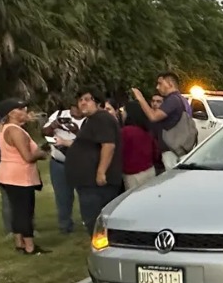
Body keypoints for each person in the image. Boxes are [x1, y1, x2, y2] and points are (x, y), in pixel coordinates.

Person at [0, 98, 49, 255]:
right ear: (12, 113)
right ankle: (30, 246)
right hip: (19, 176)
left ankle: (19, 243)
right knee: (25, 211)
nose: (26, 112)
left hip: (8, 174)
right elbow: (27, 157)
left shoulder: (6, 128)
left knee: (17, 210)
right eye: (22, 109)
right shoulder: (15, 131)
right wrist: (40, 153)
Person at [68, 88, 122, 234]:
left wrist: (101, 172)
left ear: (98, 103)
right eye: (80, 100)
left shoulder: (102, 118)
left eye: (87, 99)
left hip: (97, 184)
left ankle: (101, 249)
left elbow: (108, 145)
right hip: (88, 182)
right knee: (93, 220)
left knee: (96, 221)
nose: (83, 103)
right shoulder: (91, 120)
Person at [132, 73, 193, 166]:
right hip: (177, 148)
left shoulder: (173, 100)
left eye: (160, 83)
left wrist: (140, 98)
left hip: (171, 149)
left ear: (170, 83)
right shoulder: (181, 99)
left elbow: (153, 116)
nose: (157, 87)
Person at [42, 100, 81, 235]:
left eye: (78, 108)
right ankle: (65, 225)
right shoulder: (59, 114)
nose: (75, 111)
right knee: (62, 196)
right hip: (59, 162)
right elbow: (45, 132)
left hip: (80, 164)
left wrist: (76, 130)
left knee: (85, 194)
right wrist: (54, 125)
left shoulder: (89, 119)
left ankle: (89, 222)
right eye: (73, 107)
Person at [120, 101, 159, 190]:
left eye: (124, 111)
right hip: (150, 170)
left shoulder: (125, 132)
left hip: (133, 174)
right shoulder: (147, 130)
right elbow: (155, 151)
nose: (122, 114)